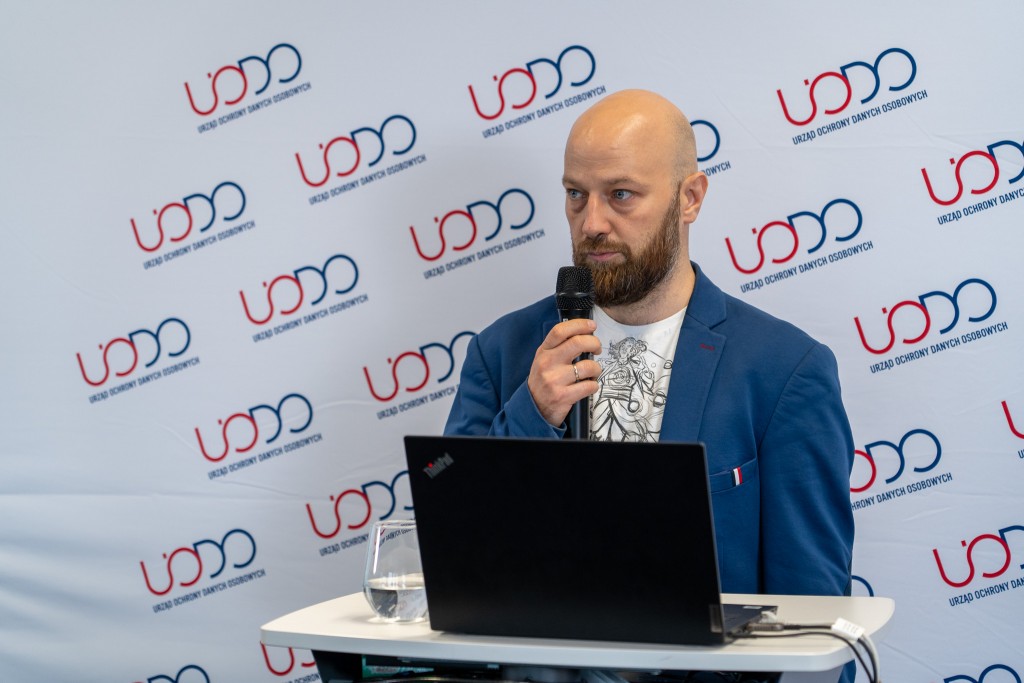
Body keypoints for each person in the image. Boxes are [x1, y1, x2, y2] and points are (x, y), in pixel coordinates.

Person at [444, 89, 855, 683]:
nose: (591, 223)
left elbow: (812, 618)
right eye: (575, 194)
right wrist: (531, 412)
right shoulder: (503, 352)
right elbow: (451, 554)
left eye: (621, 195)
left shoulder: (784, 371)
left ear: (690, 198)